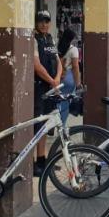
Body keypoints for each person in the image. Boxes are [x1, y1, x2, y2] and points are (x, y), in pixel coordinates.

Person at [33, 10, 62, 177]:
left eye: (46, 21)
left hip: (51, 88)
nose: (44, 24)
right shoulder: (34, 39)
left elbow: (58, 61)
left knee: (46, 125)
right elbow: (36, 66)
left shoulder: (50, 39)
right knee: (37, 125)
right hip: (39, 87)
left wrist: (56, 79)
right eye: (41, 21)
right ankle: (33, 164)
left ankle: (42, 161)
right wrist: (52, 81)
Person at [57, 29, 83, 126]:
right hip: (69, 77)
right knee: (66, 103)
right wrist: (78, 84)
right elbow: (75, 67)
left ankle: (55, 123)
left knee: (58, 101)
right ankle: (62, 126)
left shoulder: (58, 47)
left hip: (59, 76)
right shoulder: (74, 49)